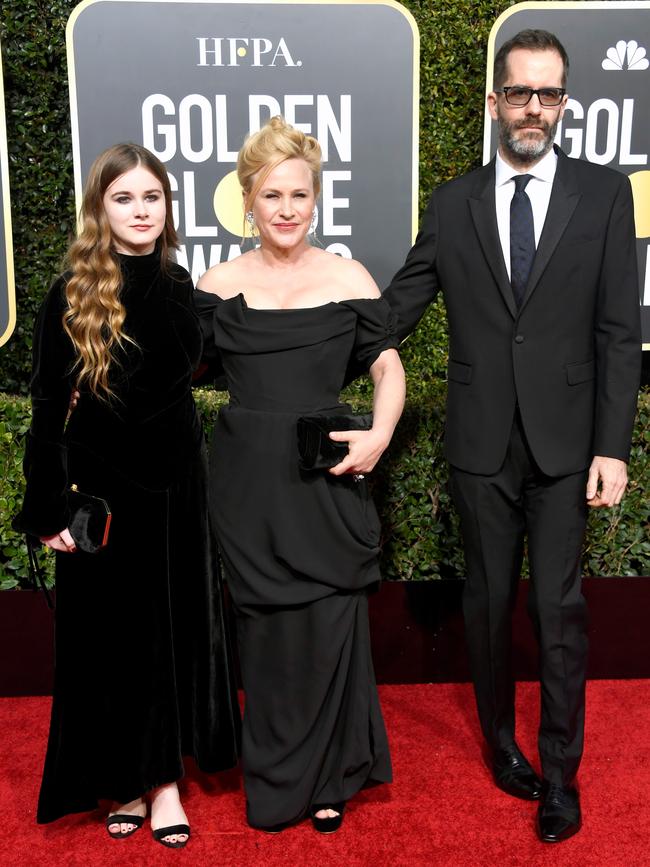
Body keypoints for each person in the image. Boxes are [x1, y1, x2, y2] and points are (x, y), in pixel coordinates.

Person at [384, 30, 641, 843]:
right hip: (482, 441)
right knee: (489, 605)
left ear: (564, 103)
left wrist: (612, 446)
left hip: (569, 445)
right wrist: (298, 330)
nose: (535, 108)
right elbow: (401, 302)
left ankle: (560, 776)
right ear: (493, 100)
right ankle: (501, 747)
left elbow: (616, 333)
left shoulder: (604, 197)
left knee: (558, 608)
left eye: (550, 94)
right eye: (521, 92)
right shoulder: (454, 201)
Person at [17, 143, 240, 847]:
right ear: (100, 208)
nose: (141, 210)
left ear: (168, 206)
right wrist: (50, 507)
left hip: (175, 489)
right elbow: (48, 405)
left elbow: (211, 364)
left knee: (167, 638)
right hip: (103, 494)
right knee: (110, 641)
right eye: (124, 198)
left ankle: (166, 782)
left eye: (152, 197)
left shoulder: (181, 285)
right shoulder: (71, 293)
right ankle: (126, 777)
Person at [195, 116, 405, 832]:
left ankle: (331, 775)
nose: (286, 208)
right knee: (267, 634)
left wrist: (378, 433)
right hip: (248, 490)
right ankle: (278, 768)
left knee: (329, 624)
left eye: (300, 195)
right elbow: (165, 372)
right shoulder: (216, 284)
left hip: (325, 481)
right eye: (271, 194)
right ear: (247, 201)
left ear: (316, 200)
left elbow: (388, 368)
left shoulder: (347, 276)